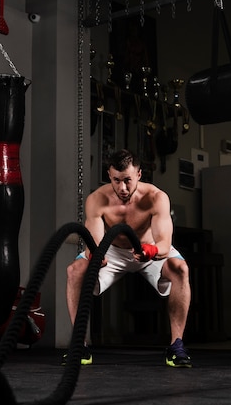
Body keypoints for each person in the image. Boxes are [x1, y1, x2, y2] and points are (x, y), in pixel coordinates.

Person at [64, 149, 192, 368]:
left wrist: (149, 251)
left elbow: (164, 243)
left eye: (127, 181)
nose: (122, 188)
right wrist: (95, 255)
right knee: (75, 270)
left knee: (180, 268)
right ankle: (79, 345)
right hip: (112, 250)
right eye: (116, 180)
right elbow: (93, 242)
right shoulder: (97, 199)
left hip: (150, 248)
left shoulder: (156, 198)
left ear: (139, 175)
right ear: (109, 176)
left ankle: (176, 346)